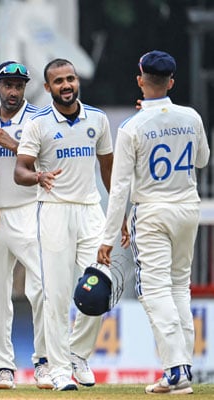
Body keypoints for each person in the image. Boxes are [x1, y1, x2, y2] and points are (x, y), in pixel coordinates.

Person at [98, 50, 210, 395]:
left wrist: (107, 237)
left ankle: (175, 370)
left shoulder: (133, 127)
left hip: (153, 213)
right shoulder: (191, 116)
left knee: (155, 290)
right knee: (179, 288)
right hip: (188, 209)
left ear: (140, 80)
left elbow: (120, 189)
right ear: (172, 82)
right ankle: (182, 368)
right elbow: (203, 160)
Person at [13, 58, 114, 391]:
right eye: (59, 81)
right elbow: (21, 170)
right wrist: (37, 176)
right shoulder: (39, 124)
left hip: (90, 210)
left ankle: (78, 355)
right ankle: (57, 369)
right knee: (54, 295)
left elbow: (108, 169)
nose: (67, 85)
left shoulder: (97, 120)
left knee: (100, 287)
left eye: (71, 79)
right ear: (48, 88)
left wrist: (118, 215)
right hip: (53, 210)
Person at [0, 61, 51, 390]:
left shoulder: (39, 119)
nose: (13, 91)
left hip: (29, 209)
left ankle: (45, 362)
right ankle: (3, 367)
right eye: (8, 84)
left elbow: (52, 164)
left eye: (19, 85)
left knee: (44, 289)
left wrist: (14, 144)